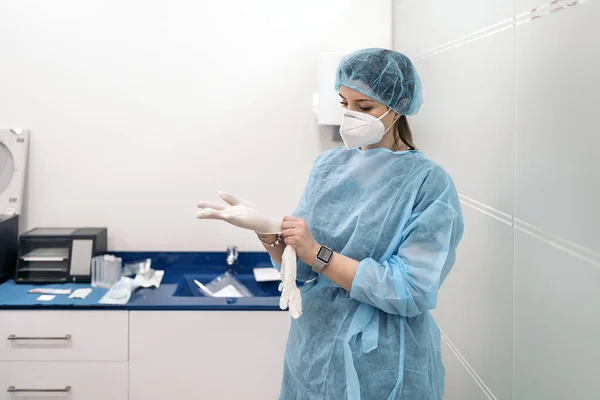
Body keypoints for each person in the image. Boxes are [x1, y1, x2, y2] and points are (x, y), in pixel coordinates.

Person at [197, 48, 464, 400]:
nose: (351, 115)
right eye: (344, 103)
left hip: (381, 367)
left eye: (365, 107)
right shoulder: (328, 167)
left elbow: (410, 289)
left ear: (397, 105)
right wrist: (270, 233)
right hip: (313, 353)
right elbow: (305, 270)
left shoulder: (428, 184)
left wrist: (319, 254)